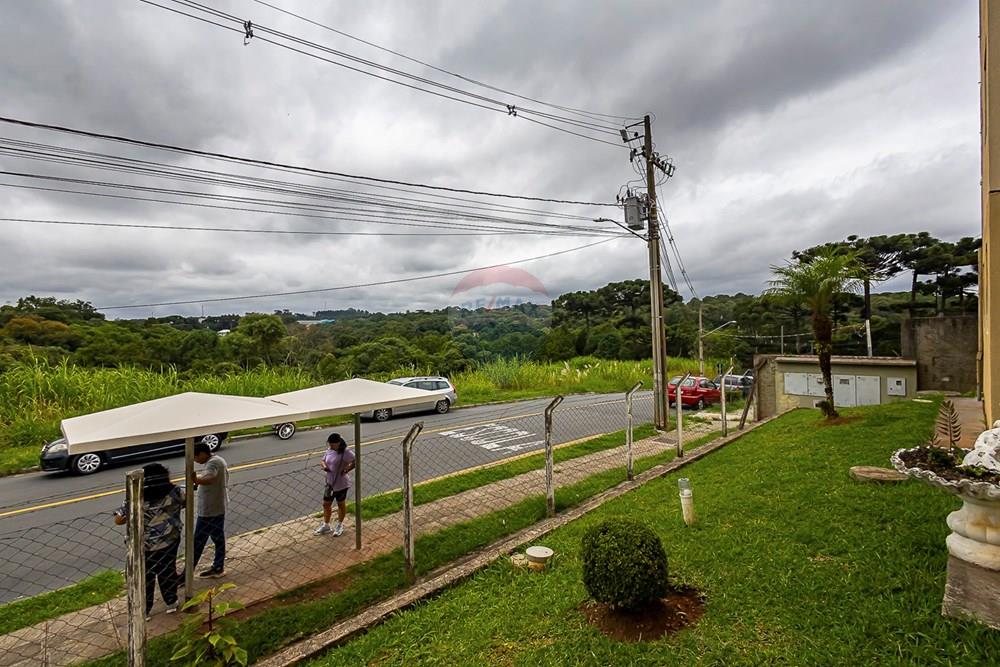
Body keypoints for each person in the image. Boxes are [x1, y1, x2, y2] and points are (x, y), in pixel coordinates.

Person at [114, 463, 185, 619]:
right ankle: (171, 601)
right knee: (167, 570)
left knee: (146, 576)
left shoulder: (136, 497)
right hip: (169, 539)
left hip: (143, 544)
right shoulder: (175, 492)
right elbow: (186, 502)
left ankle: (145, 609)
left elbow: (119, 519)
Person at [190, 441, 229, 578]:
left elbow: (209, 477)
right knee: (217, 538)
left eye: (195, 457)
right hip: (215, 507)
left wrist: (195, 479)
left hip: (210, 510)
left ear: (202, 453)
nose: (195, 460)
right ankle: (218, 566)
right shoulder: (216, 460)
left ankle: (187, 574)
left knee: (198, 541)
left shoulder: (213, 463)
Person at [315, 432, 355, 536]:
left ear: (338, 443)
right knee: (326, 504)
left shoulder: (346, 452)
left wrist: (347, 469)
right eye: (330, 444)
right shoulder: (329, 450)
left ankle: (339, 525)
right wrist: (324, 466)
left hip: (341, 484)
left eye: (333, 444)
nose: (331, 446)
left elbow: (356, 460)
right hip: (330, 483)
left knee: (340, 504)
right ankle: (326, 525)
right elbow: (323, 460)